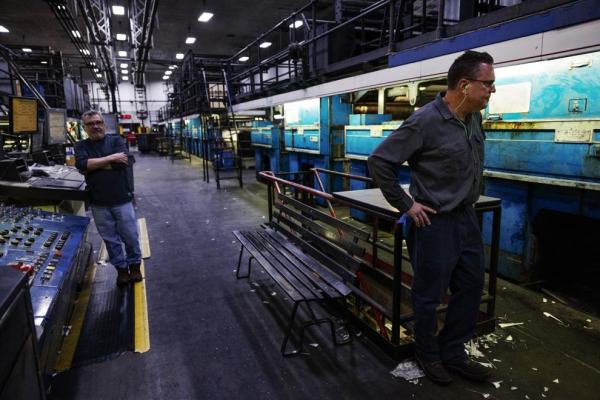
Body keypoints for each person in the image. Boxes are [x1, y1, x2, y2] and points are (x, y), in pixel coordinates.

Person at [368, 50, 496, 386]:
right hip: (433, 222)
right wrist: (407, 205)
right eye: (488, 84)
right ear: (465, 84)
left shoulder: (473, 119)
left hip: (466, 219)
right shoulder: (424, 121)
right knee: (429, 294)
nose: (492, 90)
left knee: (470, 286)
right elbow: (380, 161)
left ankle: (453, 351)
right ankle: (428, 353)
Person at [75, 110, 142, 287]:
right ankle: (121, 270)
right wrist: (112, 158)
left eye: (98, 122)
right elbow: (81, 165)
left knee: (130, 236)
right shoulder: (81, 146)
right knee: (110, 240)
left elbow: (123, 164)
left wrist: (92, 165)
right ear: (85, 128)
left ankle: (135, 267)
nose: (95, 126)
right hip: (99, 203)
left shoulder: (116, 140)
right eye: (90, 124)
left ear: (103, 124)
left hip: (122, 200)